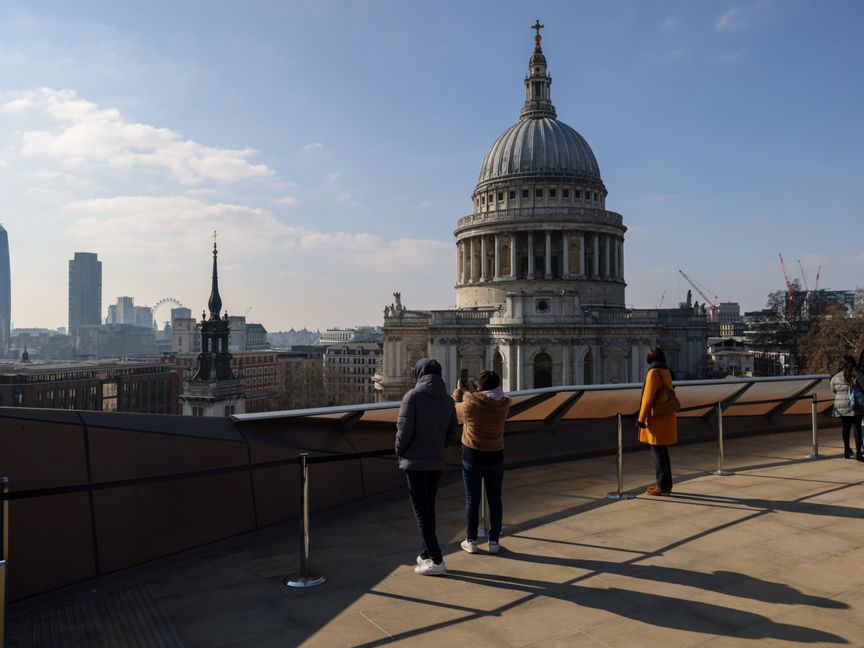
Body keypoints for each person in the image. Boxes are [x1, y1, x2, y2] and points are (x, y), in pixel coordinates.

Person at [395, 358, 460, 575]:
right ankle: (424, 553)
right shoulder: (448, 400)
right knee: (429, 508)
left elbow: (403, 431)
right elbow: (453, 434)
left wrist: (400, 451)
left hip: (415, 462)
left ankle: (437, 559)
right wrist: (437, 446)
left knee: (421, 512)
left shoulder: (412, 396)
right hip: (435, 461)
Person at [452, 370, 511, 555]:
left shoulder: (470, 405)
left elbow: (454, 409)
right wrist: (471, 393)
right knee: (495, 499)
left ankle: (471, 540)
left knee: (472, 499)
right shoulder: (504, 405)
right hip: (495, 455)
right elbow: (484, 400)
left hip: (473, 456)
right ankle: (494, 541)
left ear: (479, 387)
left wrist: (460, 391)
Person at [637, 347, 677, 495]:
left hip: (656, 419)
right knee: (663, 454)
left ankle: (662, 487)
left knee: (658, 455)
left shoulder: (653, 372)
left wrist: (641, 419)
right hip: (666, 416)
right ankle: (666, 486)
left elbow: (647, 399)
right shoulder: (665, 371)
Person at [830, 355, 863, 461]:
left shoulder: (835, 377)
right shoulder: (856, 375)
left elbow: (833, 389)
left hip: (841, 405)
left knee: (846, 427)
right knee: (857, 427)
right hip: (855, 405)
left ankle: (846, 451)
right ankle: (858, 452)